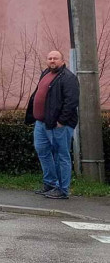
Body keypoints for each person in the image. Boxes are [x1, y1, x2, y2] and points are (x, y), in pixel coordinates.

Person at [25, 50, 80, 200]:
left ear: (62, 61)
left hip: (58, 125)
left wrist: (61, 121)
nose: (52, 61)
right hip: (41, 123)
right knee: (42, 150)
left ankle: (62, 189)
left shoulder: (68, 78)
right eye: (49, 58)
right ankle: (50, 183)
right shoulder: (45, 73)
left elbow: (71, 101)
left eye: (55, 58)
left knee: (61, 155)